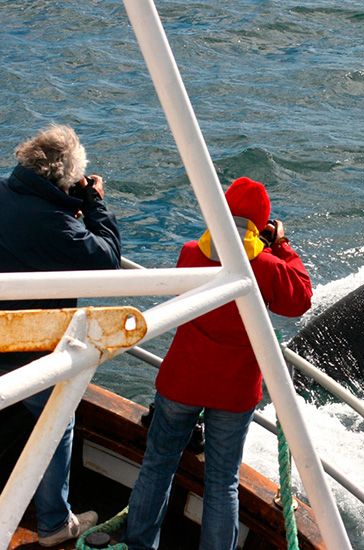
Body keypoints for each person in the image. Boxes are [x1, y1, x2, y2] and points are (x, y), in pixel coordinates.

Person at [124, 176, 313, 550]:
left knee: (157, 466)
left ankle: (139, 544)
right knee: (222, 481)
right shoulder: (269, 267)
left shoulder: (191, 251)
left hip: (182, 381)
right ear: (262, 224)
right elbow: (300, 298)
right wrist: (283, 245)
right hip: (234, 390)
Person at [0, 124, 121, 546]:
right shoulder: (55, 224)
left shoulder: (5, 193)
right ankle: (53, 522)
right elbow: (107, 262)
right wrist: (95, 204)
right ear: (66, 177)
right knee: (58, 419)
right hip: (28, 348)